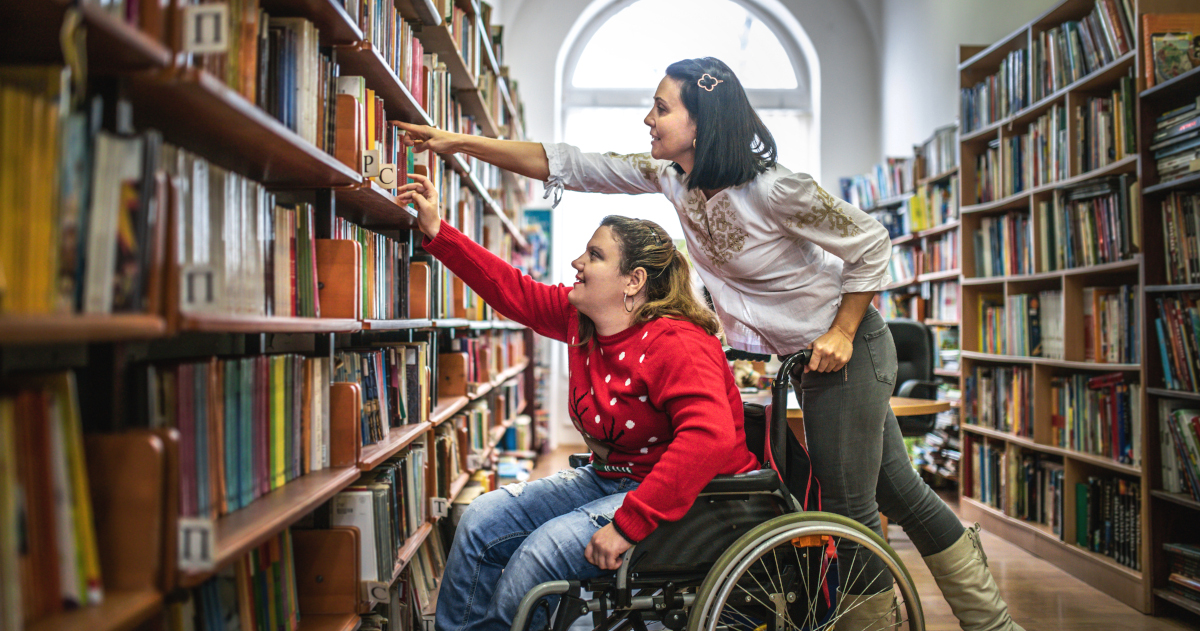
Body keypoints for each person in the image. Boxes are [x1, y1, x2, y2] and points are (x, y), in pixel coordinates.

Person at [397, 57, 1024, 631]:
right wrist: (460, 144)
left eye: (663, 107)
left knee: (850, 506)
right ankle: (993, 625)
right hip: (806, 358)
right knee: (904, 492)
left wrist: (840, 331)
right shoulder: (674, 182)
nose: (649, 119)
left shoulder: (775, 189)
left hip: (847, 348)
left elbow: (870, 242)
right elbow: (570, 163)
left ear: (703, 122)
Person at [395, 171, 759, 631]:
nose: (576, 262)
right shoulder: (581, 320)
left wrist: (628, 524)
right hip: (611, 479)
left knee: (538, 558)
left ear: (634, 280)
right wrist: (438, 231)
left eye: (594, 255)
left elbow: (708, 439)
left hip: (693, 502)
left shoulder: (676, 342)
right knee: (481, 520)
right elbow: (510, 289)